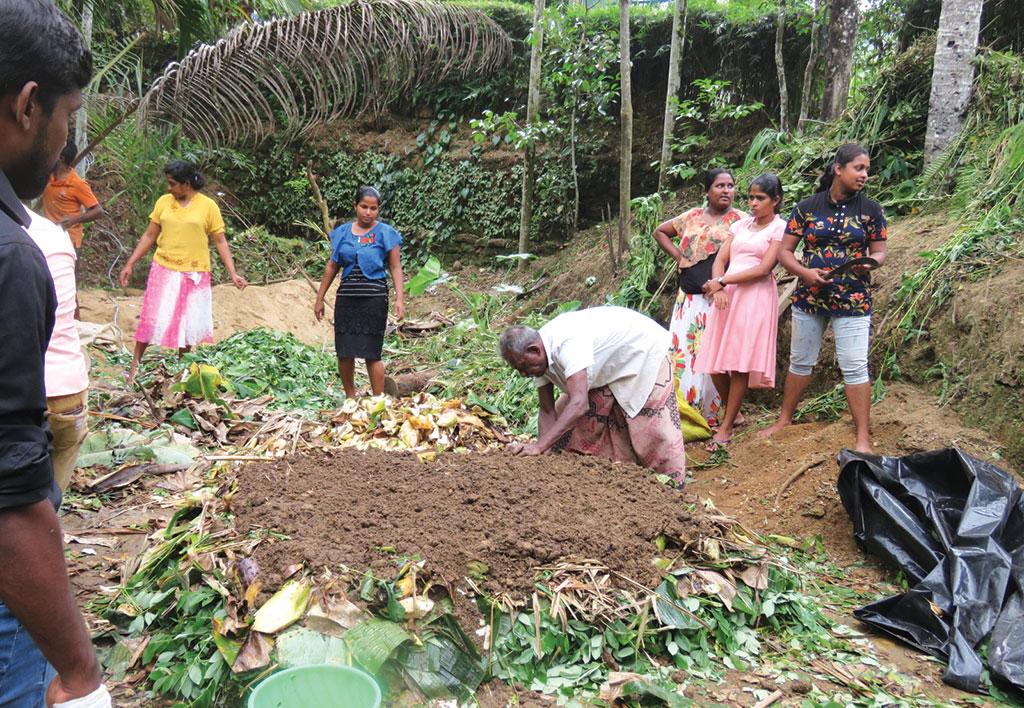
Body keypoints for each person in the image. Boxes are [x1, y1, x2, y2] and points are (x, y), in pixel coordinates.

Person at [0, 1, 108, 705]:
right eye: (69, 117)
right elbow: (10, 505)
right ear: (29, 106)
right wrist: (79, 670)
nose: (64, 136)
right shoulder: (11, 256)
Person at [759, 144, 888, 453]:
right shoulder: (807, 207)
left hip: (853, 299)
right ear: (838, 169)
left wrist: (870, 262)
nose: (864, 175)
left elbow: (880, 251)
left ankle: (862, 438)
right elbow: (785, 252)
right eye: (859, 168)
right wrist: (805, 274)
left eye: (867, 170)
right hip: (810, 295)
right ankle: (784, 420)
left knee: (855, 365)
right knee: (801, 361)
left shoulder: (871, 209)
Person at [499, 306, 686, 486]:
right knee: (581, 423)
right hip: (607, 365)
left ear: (534, 350)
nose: (524, 374)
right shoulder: (538, 359)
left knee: (652, 430)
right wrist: (542, 453)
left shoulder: (567, 343)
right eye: (519, 370)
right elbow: (547, 409)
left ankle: (672, 487)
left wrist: (539, 446)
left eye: (524, 367)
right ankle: (620, 476)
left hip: (642, 352)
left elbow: (579, 404)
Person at [119, 160, 248, 383]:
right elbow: (149, 235)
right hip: (164, 269)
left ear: (186, 183)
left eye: (172, 184)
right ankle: (134, 369)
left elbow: (220, 242)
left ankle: (182, 373)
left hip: (194, 273)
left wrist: (233, 273)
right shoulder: (163, 203)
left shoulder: (208, 207)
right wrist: (130, 263)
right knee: (150, 319)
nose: (169, 188)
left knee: (187, 325)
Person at [695, 174, 787, 450]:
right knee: (714, 359)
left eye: (761, 198)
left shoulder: (779, 228)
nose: (753, 203)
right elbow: (721, 260)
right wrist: (719, 288)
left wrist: (722, 282)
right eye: (751, 197)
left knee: (738, 361)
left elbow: (763, 269)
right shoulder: (741, 224)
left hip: (754, 296)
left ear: (776, 200)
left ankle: (726, 427)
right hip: (728, 295)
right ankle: (732, 414)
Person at [652, 168, 746, 429]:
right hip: (688, 301)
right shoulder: (690, 217)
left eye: (730, 185)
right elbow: (660, 232)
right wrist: (678, 256)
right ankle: (687, 409)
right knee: (684, 355)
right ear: (707, 191)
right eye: (719, 185)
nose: (726, 190)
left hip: (719, 300)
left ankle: (723, 412)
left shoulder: (741, 221)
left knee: (715, 357)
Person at [314, 186, 405, 398]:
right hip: (346, 299)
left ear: (378, 210)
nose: (368, 212)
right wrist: (319, 299)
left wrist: (400, 299)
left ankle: (377, 400)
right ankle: (350, 399)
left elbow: (395, 267)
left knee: (372, 352)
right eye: (364, 206)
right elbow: (332, 266)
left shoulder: (386, 234)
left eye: (373, 208)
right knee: (345, 352)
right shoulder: (343, 233)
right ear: (355, 206)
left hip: (374, 300)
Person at [24, 209, 89, 492]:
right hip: (68, 390)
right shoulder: (53, 234)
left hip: (24, 394)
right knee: (51, 501)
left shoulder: (11, 236)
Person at [41, 138, 102, 250]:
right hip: (49, 238)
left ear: (61, 158)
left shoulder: (77, 184)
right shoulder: (49, 176)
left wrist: (74, 220)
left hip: (69, 242)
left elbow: (98, 211)